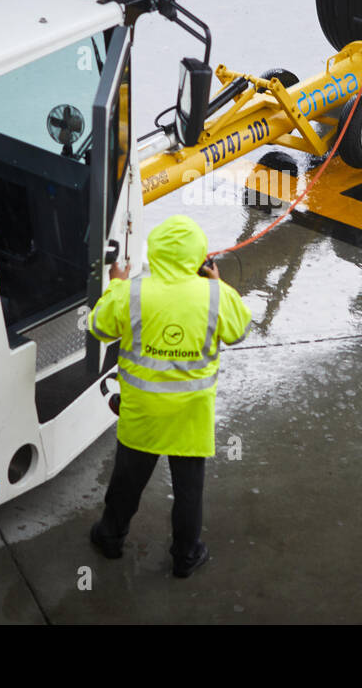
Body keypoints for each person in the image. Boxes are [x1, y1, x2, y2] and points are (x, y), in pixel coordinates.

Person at [87, 214, 252, 578]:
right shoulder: (215, 295)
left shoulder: (133, 292)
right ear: (200, 257)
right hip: (191, 416)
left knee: (126, 483)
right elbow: (238, 330)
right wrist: (219, 284)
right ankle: (186, 556)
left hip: (143, 413)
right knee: (189, 492)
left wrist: (115, 285)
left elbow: (98, 326)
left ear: (155, 251)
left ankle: (110, 538)